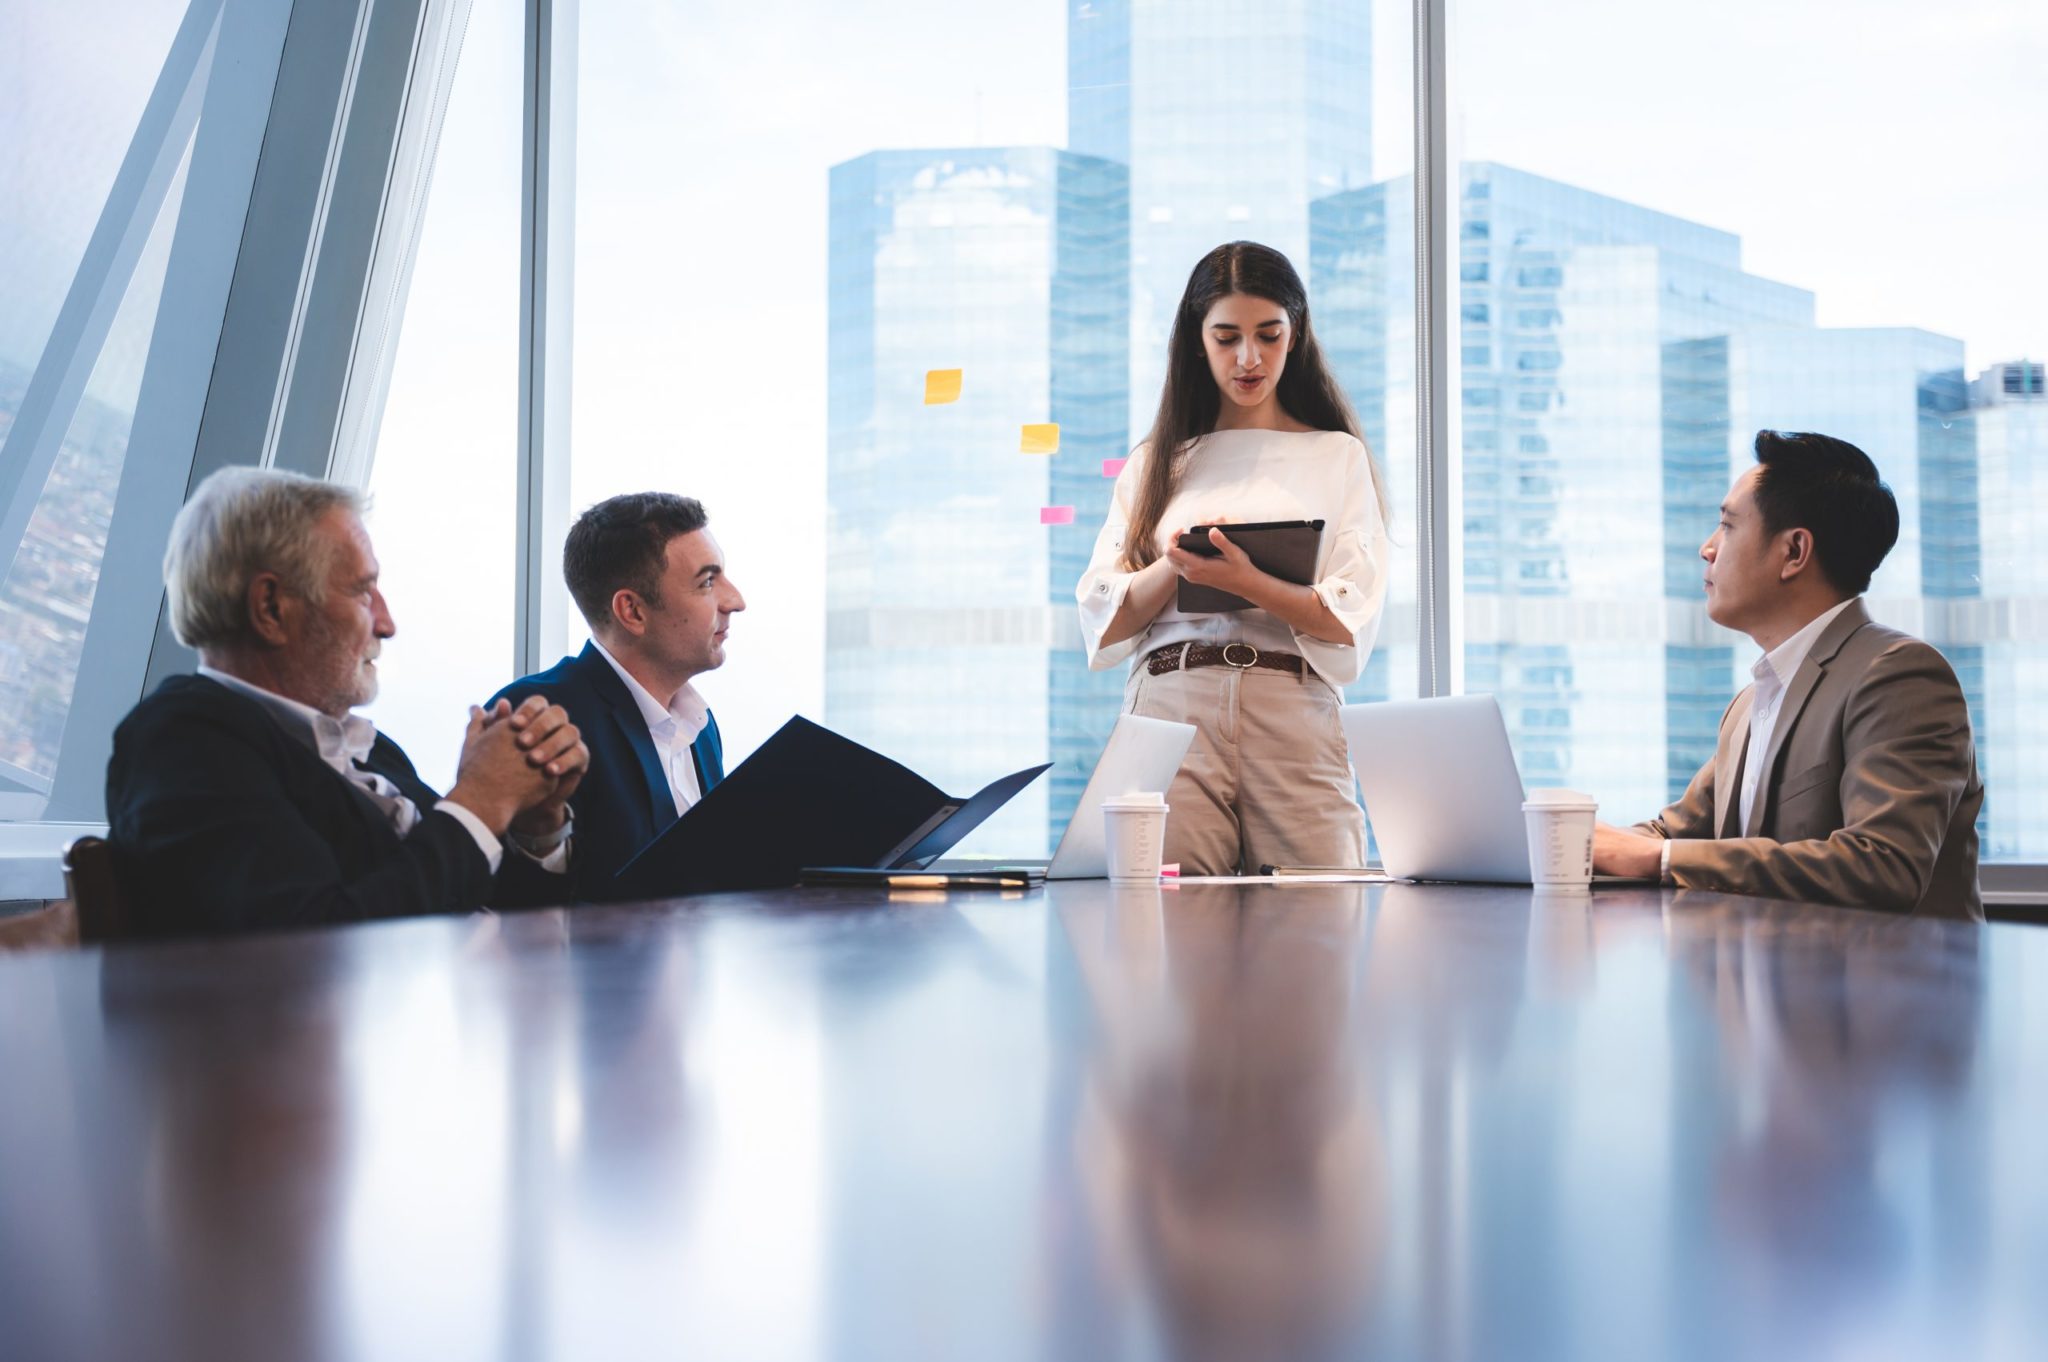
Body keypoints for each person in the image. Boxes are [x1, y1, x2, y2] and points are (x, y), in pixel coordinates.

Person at [106, 467, 588, 939]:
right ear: (271, 608)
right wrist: (481, 801)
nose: (387, 623)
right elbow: (313, 946)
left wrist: (533, 826)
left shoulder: (371, 750)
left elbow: (478, 900)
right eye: (362, 592)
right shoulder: (184, 746)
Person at [1077, 241, 1389, 875]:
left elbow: (1348, 620)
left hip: (1293, 708)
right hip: (1171, 703)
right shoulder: (1156, 464)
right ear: (1197, 341)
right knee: (1172, 941)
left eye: (1269, 336)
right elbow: (1105, 621)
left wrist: (1249, 581)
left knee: (1320, 927)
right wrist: (1177, 561)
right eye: (1226, 338)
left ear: (1295, 337)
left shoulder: (1337, 456)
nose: (1249, 358)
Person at [1592, 431, 1984, 919]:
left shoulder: (1899, 675)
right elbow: (1675, 834)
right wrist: (1561, 837)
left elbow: (1884, 865)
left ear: (1794, 552)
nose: (1706, 548)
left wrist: (1659, 857)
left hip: (1883, 991)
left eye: (1727, 526)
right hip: (1773, 985)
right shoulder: (1752, 702)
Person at [491, 492, 744, 900]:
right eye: (708, 582)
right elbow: (516, 903)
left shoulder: (701, 726)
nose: (735, 601)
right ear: (633, 612)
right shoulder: (542, 715)